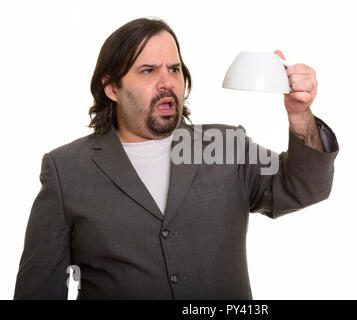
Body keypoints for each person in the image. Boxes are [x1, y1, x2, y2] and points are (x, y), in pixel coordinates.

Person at [14, 17, 339, 300]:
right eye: (148, 70)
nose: (167, 82)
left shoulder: (225, 145)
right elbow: (39, 288)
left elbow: (302, 188)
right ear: (112, 88)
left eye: (174, 69)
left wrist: (300, 116)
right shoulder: (66, 170)